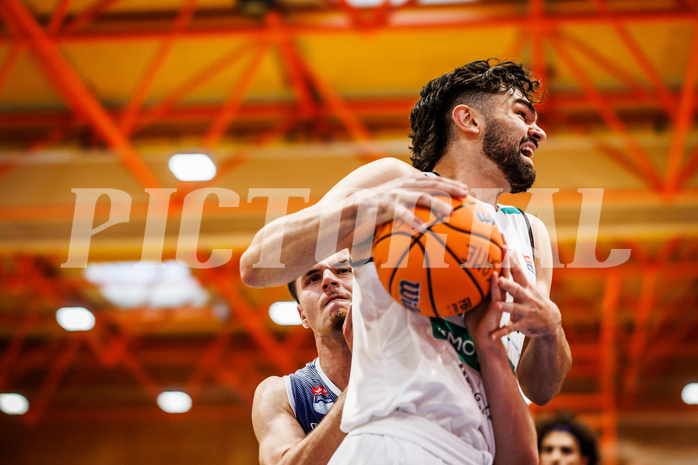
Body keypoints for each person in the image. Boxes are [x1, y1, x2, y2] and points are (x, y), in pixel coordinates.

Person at [241, 59, 572, 464]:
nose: (537, 130)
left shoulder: (530, 233)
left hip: (478, 452)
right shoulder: (394, 182)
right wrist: (371, 206)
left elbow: (540, 389)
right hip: (394, 440)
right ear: (468, 120)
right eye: (521, 114)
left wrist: (549, 330)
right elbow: (258, 264)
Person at [251, 250, 353, 465]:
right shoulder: (282, 394)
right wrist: (362, 383)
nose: (329, 280)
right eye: (313, 278)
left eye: (343, 270)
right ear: (302, 315)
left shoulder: (417, 370)